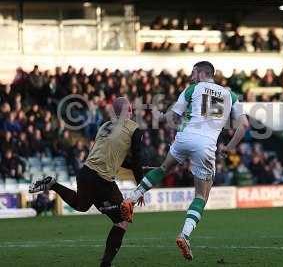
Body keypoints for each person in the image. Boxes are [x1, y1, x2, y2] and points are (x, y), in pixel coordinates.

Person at [122, 61, 248, 260]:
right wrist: (229, 148)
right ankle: (184, 235)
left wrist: (159, 115)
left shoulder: (193, 89)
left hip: (185, 136)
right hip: (206, 145)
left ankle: (130, 199)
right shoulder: (232, 96)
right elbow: (244, 126)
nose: (191, 76)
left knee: (163, 168)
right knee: (201, 196)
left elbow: (171, 117)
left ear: (200, 73)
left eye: (193, 72)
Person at [29, 97, 144, 267]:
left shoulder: (104, 127)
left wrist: (134, 166)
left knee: (82, 205)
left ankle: (53, 184)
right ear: (129, 111)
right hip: (102, 179)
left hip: (85, 173)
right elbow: (136, 160)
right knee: (123, 219)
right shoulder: (134, 129)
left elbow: (114, 157)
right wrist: (141, 187)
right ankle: (106, 264)